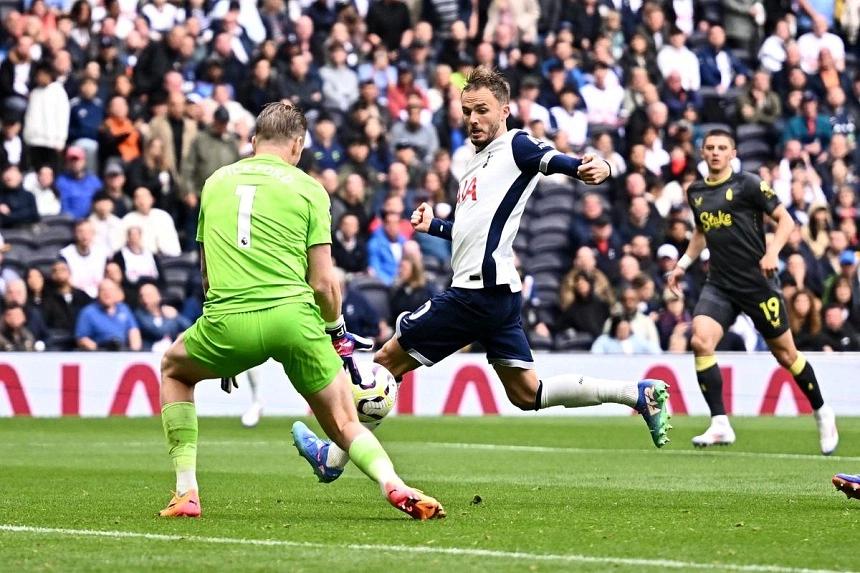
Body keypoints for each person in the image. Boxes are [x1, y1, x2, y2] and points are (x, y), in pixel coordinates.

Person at [293, 67, 672, 484]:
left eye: (482, 110)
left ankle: (334, 457)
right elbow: (468, 230)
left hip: (475, 293)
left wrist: (588, 166)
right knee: (528, 394)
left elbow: (555, 160)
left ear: (504, 111)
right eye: (467, 111)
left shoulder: (516, 145)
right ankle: (638, 393)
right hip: (498, 295)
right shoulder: (474, 164)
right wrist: (433, 225)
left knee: (385, 362)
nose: (473, 119)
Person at [157, 102, 444, 520]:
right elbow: (325, 283)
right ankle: (394, 484)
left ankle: (186, 492)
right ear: (297, 146)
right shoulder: (309, 188)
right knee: (345, 420)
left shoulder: (215, 182)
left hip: (228, 319)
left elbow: (206, 272)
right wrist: (336, 330)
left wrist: (223, 342)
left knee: (173, 369)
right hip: (294, 319)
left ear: (254, 142)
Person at [666, 129, 838, 454]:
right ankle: (720, 423)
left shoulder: (748, 184)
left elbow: (785, 220)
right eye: (710, 148)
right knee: (700, 339)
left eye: (722, 148)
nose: (715, 153)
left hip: (757, 284)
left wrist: (772, 251)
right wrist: (683, 264)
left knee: (786, 355)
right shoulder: (697, 192)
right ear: (702, 153)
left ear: (732, 153)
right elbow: (701, 233)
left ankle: (822, 411)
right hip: (719, 283)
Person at [75, 278, 142, 351]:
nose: (107, 293)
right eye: (103, 290)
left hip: (123, 351)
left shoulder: (124, 308)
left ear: (116, 293)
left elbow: (133, 331)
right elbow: (81, 339)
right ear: (98, 293)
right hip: (99, 353)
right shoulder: (88, 312)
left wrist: (135, 352)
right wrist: (98, 350)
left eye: (110, 290)